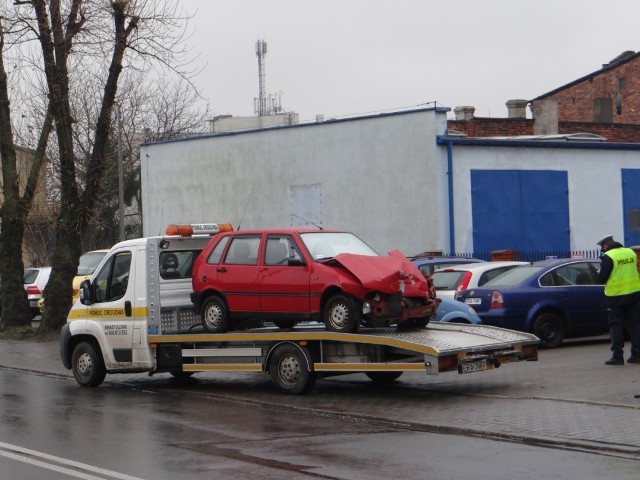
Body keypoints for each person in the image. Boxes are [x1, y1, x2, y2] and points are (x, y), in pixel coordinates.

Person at [597, 235, 640, 365]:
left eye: (602, 248)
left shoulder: (608, 256)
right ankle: (637, 355)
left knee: (616, 326)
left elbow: (602, 278)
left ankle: (617, 356)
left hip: (616, 297)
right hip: (634, 294)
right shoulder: (630, 252)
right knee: (634, 325)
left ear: (605, 246)